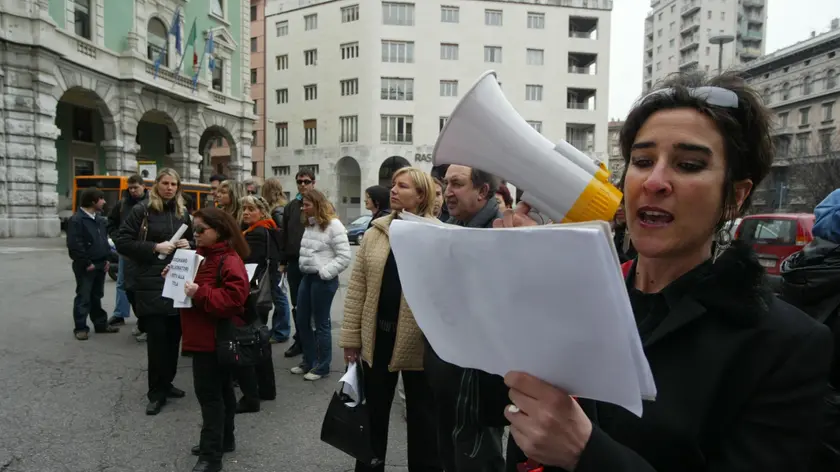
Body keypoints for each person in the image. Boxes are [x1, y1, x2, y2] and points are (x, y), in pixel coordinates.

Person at [499, 73, 834, 471]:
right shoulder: (576, 301)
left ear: (735, 197)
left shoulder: (786, 347)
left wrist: (587, 452)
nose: (655, 181)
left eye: (688, 165)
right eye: (641, 161)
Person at [341, 167, 443, 472]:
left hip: (421, 344)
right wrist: (350, 338)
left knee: (424, 420)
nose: (393, 191)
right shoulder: (376, 232)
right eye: (393, 185)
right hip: (378, 339)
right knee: (373, 415)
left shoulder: (438, 234)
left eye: (402, 186)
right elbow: (357, 288)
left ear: (421, 195)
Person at [425, 164, 508, 472]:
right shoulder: (449, 226)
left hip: (477, 381)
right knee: (450, 456)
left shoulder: (501, 232)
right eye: (446, 184)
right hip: (448, 374)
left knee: (476, 459)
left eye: (456, 184)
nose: (447, 192)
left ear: (483, 191)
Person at [169, 207, 251, 472]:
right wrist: (174, 278)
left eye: (201, 230)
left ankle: (210, 456)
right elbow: (190, 289)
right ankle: (224, 440)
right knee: (223, 393)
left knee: (210, 398)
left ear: (219, 231)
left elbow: (234, 301)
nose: (196, 234)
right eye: (195, 229)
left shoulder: (228, 259)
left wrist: (199, 292)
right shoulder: (199, 257)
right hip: (203, 337)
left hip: (214, 339)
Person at [116, 168, 194, 416]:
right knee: (157, 341)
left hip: (177, 281)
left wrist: (188, 243)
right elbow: (122, 241)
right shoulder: (142, 210)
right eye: (165, 183)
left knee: (173, 338)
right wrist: (153, 247)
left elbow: (196, 241)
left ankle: (167, 383)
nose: (170, 187)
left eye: (174, 184)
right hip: (150, 283)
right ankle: (155, 392)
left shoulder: (183, 212)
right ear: (157, 184)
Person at [291, 189, 352, 381]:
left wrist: (324, 272)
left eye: (307, 204)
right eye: (303, 204)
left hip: (322, 280)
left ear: (317, 205)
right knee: (301, 320)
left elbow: (344, 256)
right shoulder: (310, 224)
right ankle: (309, 361)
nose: (303, 208)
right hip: (307, 278)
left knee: (321, 323)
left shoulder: (334, 225)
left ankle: (322, 366)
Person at [235, 195, 280, 413]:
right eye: (243, 208)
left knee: (252, 341)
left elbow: (246, 264)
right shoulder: (269, 230)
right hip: (264, 294)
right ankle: (267, 388)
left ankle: (257, 390)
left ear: (261, 212)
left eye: (251, 209)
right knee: (261, 339)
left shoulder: (256, 234)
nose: (245, 212)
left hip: (254, 294)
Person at [66, 187, 119, 340]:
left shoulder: (99, 219)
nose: (104, 201)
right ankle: (81, 328)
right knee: (84, 296)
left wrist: (108, 259)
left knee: (96, 295)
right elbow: (75, 245)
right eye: (101, 198)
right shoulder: (77, 220)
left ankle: (100, 324)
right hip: (86, 265)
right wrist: (85, 263)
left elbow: (103, 242)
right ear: (92, 201)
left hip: (101, 263)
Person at [278, 169, 316, 358]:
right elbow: (284, 235)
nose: (302, 185)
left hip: (314, 264)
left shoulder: (320, 205)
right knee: (296, 305)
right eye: (299, 181)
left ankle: (314, 342)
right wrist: (283, 261)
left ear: (313, 183)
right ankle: (300, 340)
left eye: (306, 181)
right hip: (294, 262)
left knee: (313, 306)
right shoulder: (291, 207)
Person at [107, 174, 148, 341]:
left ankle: (144, 320)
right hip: (126, 251)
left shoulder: (151, 203)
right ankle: (120, 313)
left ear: (143, 186)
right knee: (123, 283)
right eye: (130, 188)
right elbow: (111, 222)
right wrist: (118, 240)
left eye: (135, 187)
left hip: (145, 250)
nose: (132, 191)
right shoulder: (122, 204)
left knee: (143, 285)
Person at [262, 177, 292, 344]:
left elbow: (281, 235)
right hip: (277, 258)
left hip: (276, 259)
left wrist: (281, 260)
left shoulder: (277, 210)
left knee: (279, 295)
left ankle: (281, 331)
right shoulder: (281, 207)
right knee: (278, 294)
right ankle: (279, 328)